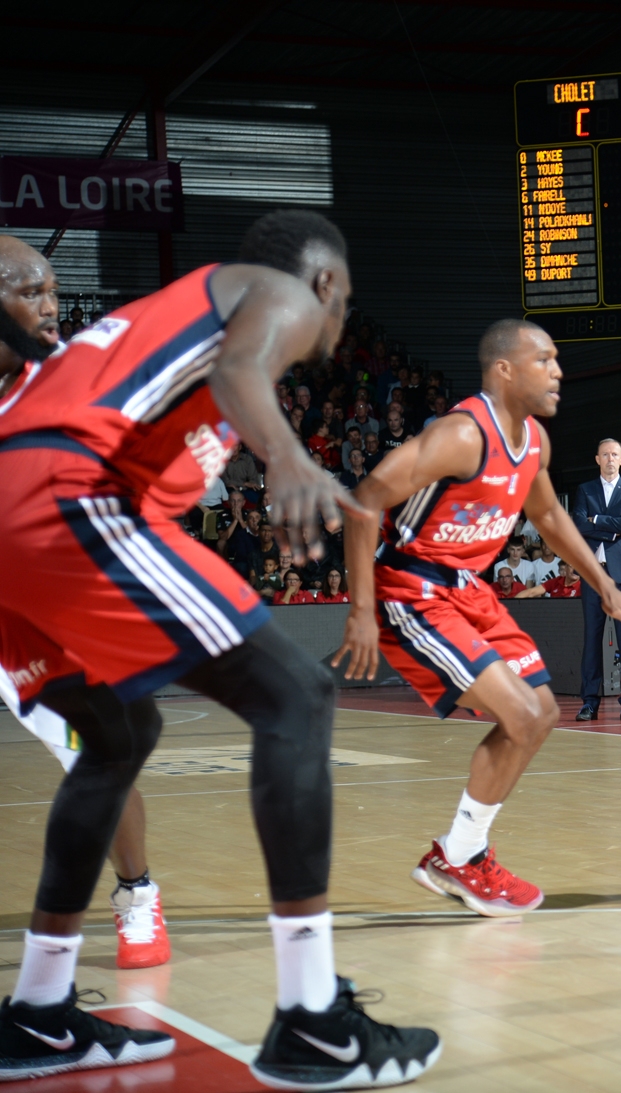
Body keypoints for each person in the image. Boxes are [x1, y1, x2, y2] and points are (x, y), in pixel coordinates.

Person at [0, 216, 441, 1086]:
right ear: (325, 284)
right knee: (296, 695)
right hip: (65, 491)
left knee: (118, 737)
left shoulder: (145, 335)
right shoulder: (275, 292)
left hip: (18, 508)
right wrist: (286, 458)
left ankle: (38, 1011)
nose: (340, 321)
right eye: (345, 300)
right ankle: (313, 1020)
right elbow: (244, 368)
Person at [334, 319, 621, 923]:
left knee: (542, 713)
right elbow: (364, 499)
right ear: (504, 369)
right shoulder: (460, 434)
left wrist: (608, 588)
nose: (558, 370)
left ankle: (457, 854)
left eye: (558, 359)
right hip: (412, 588)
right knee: (520, 711)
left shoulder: (534, 440)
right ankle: (461, 856)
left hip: (471, 592)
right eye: (544, 359)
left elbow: (553, 518)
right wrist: (357, 610)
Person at [0, 240, 173, 974]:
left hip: (48, 610)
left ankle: (137, 892)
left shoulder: (73, 384)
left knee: (101, 755)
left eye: (53, 291)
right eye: (31, 291)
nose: (50, 306)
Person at [571, 439, 621, 721]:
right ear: (597, 459)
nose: (610, 459)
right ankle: (589, 701)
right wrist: (614, 527)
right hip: (594, 573)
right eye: (605, 454)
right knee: (592, 640)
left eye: (615, 454)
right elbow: (578, 524)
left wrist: (597, 520)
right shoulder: (585, 489)